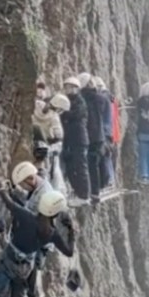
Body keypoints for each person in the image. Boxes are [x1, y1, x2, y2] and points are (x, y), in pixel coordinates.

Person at [9, 162, 53, 297]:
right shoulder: (40, 185)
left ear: (30, 179)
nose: (22, 188)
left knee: (31, 285)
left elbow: (29, 216)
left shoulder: (44, 195)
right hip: (38, 242)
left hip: (38, 246)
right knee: (31, 284)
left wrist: (9, 197)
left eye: (23, 185)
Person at [60, 77, 90, 206]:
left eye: (69, 87)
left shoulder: (80, 102)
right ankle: (77, 191)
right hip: (71, 140)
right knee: (72, 167)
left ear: (76, 88)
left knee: (80, 166)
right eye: (66, 87)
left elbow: (74, 115)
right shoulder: (69, 101)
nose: (67, 90)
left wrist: (62, 112)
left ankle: (83, 195)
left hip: (79, 139)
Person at [33, 93, 70, 194]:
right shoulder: (54, 117)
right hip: (44, 146)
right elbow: (58, 136)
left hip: (31, 140)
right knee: (52, 172)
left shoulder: (37, 104)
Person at [80, 74, 108, 204]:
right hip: (99, 136)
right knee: (95, 164)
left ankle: (89, 191)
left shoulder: (83, 98)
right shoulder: (100, 98)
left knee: (87, 165)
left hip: (88, 136)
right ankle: (96, 190)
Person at [94, 76, 117, 189]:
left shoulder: (103, 99)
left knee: (105, 156)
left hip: (104, 132)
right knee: (107, 155)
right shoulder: (110, 98)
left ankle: (108, 180)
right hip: (110, 131)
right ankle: (109, 180)